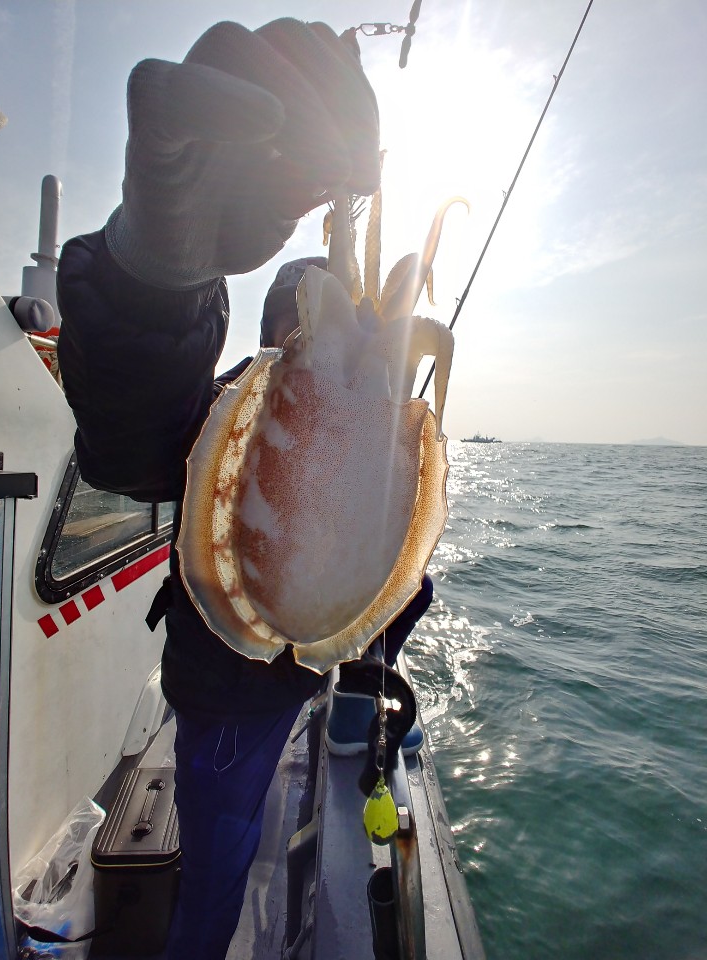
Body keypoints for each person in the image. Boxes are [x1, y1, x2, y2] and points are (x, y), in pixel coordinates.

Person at [56, 19, 430, 960]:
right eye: (303, 322)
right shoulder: (226, 406)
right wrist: (158, 276)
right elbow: (133, 444)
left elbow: (387, 570)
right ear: (272, 341)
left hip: (294, 682)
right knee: (218, 870)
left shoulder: (377, 429)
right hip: (227, 700)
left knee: (241, 837)